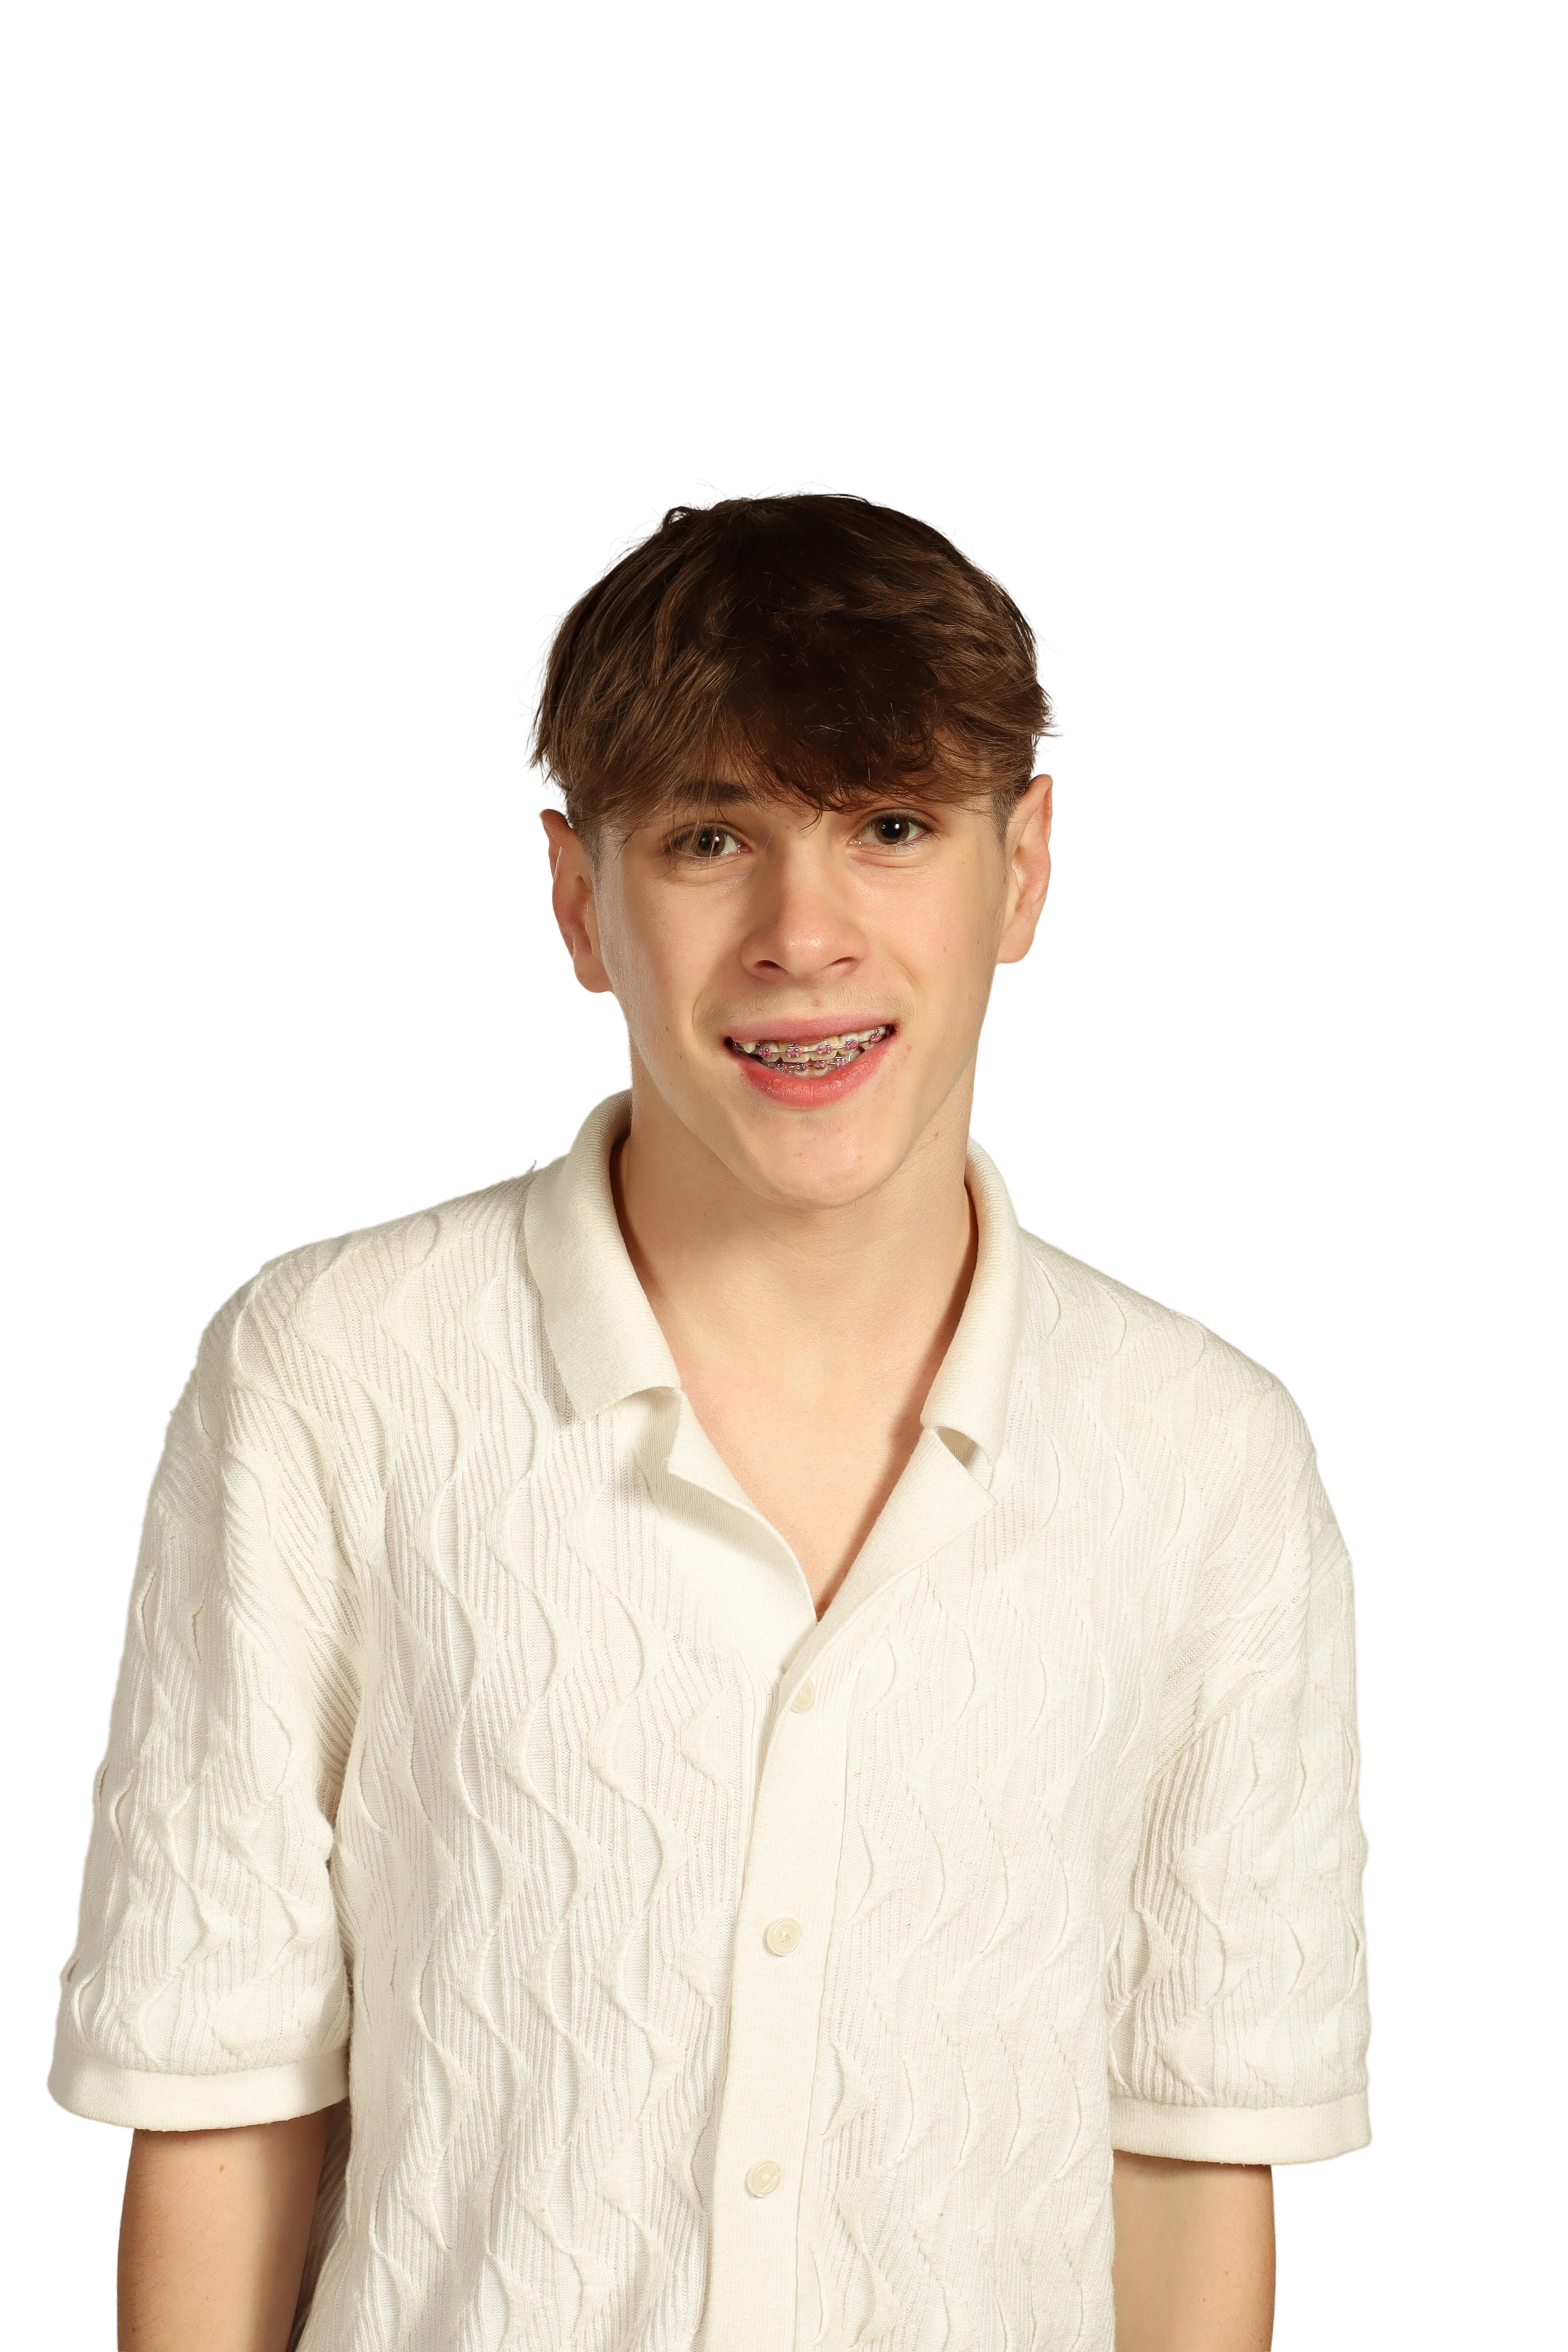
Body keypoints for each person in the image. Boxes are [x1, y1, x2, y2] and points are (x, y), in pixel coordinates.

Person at [46, 478, 1374, 2352]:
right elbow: (222, 2083)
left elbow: (1189, 2143)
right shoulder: (330, 1373)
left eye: (892, 826)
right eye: (708, 838)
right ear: (578, 897)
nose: (801, 934)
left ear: (1024, 866)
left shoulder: (1205, 1459)